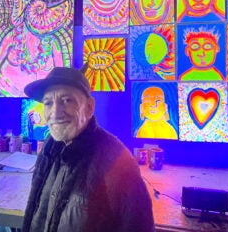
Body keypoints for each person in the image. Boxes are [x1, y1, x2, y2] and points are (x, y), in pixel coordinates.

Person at [22, 66, 155, 232]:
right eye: (48, 103)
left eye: (67, 100)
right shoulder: (50, 146)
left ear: (90, 107)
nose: (55, 113)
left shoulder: (116, 161)